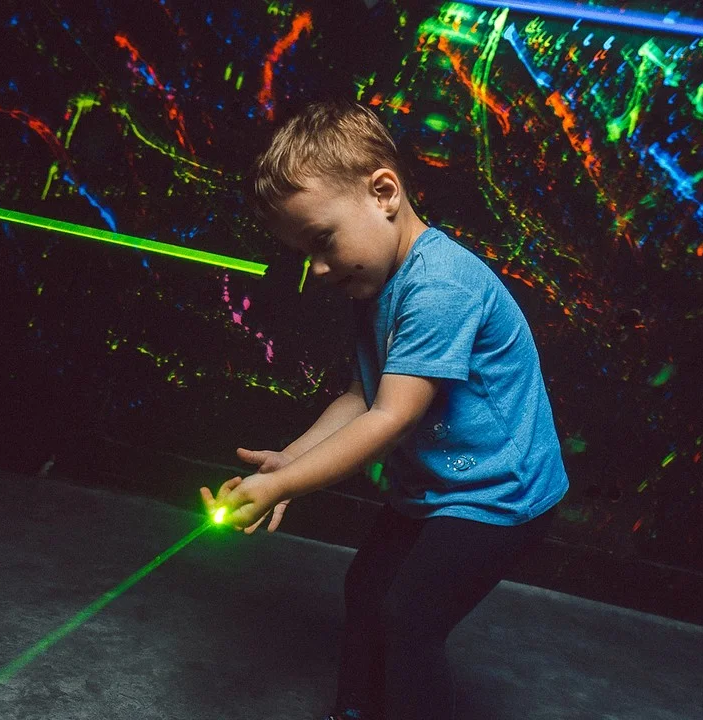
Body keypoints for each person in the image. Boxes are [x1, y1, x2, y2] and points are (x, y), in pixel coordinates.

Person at [200, 100, 568, 720]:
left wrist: (286, 485)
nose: (317, 268)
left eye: (323, 241)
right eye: (304, 253)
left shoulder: (439, 286)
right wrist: (289, 461)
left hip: (499, 494)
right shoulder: (372, 280)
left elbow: (391, 417)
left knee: (410, 618)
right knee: (367, 589)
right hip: (437, 484)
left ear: (384, 193)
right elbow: (361, 396)